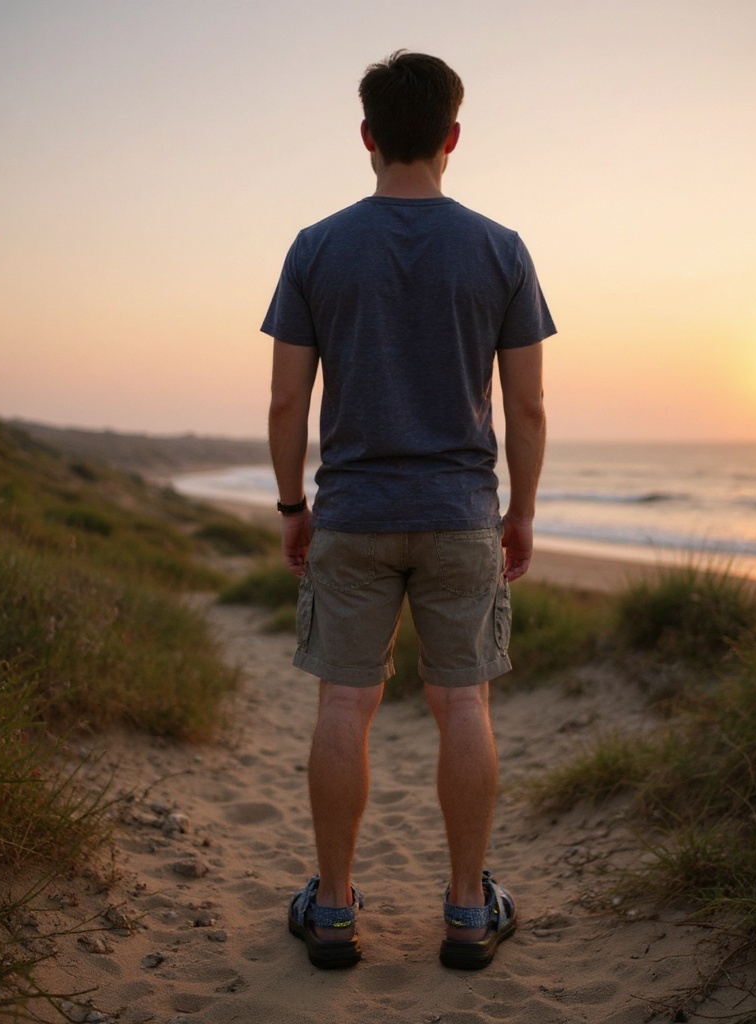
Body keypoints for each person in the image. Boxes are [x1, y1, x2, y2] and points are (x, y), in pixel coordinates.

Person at [261, 50, 555, 971]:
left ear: (368, 136)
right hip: (460, 512)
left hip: (351, 510)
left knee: (345, 703)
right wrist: (521, 512)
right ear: (452, 137)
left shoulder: (316, 247)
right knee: (462, 702)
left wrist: (292, 505)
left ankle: (333, 910)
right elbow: (528, 409)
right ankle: (468, 912)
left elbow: (286, 401)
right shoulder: (501, 249)